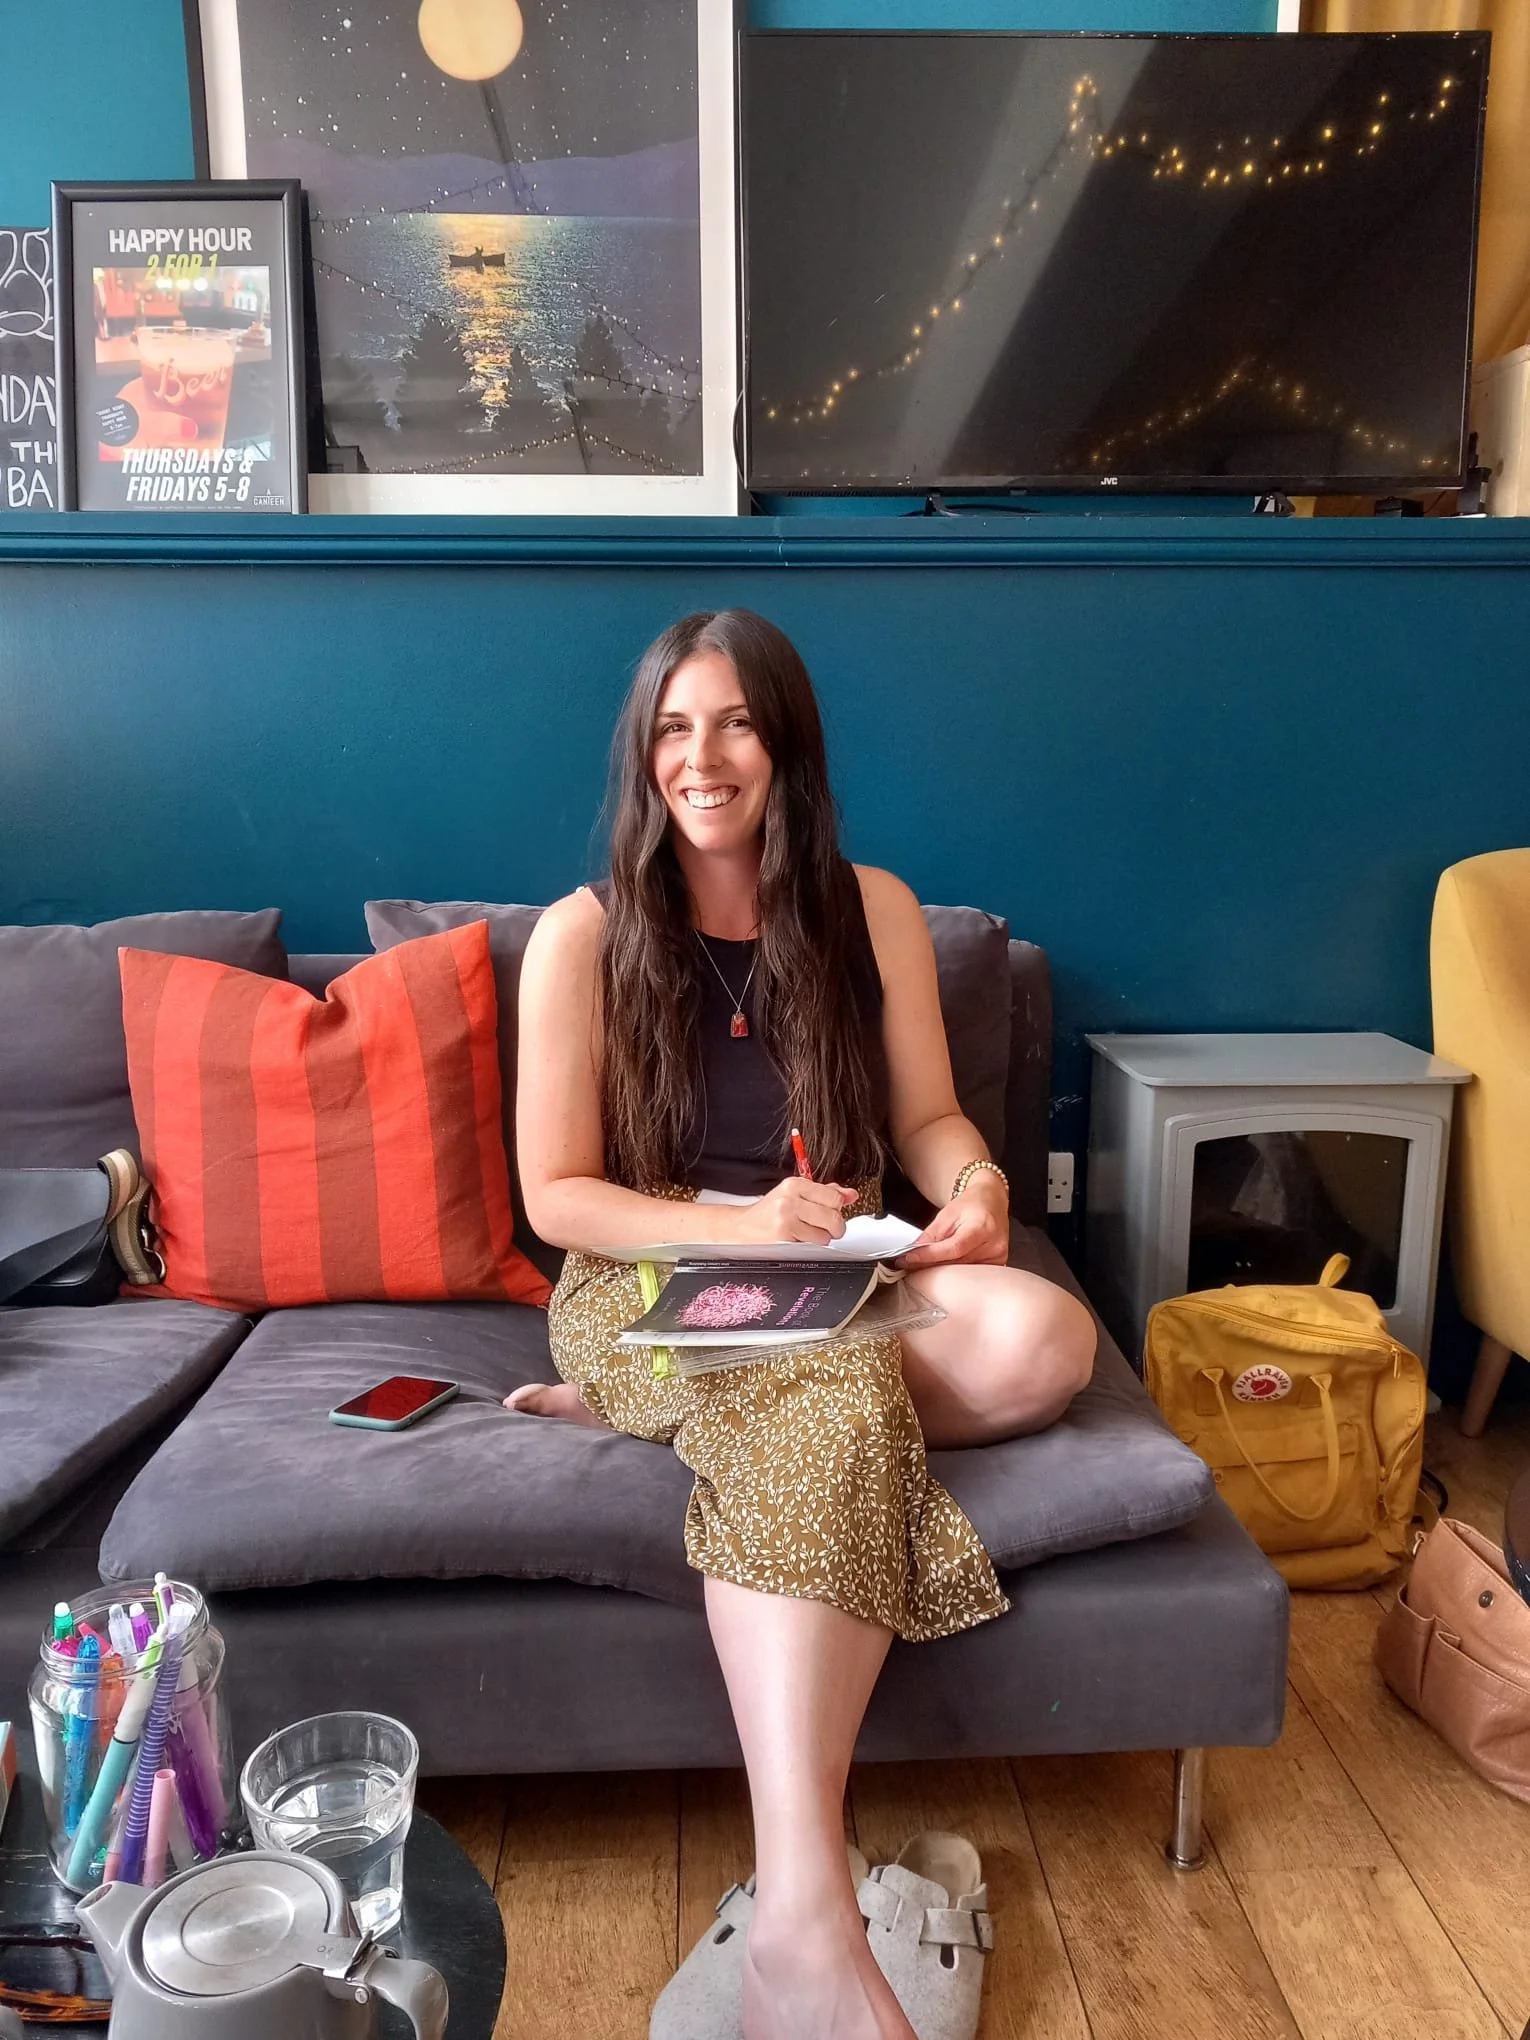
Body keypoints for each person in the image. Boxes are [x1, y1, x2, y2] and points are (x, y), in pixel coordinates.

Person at [508, 609, 1096, 2040]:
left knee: (1042, 1337)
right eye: (670, 728)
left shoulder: (872, 907)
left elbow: (927, 1118)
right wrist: (735, 1229)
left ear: (786, 744)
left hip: (833, 1277)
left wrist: (972, 1184)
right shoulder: (581, 936)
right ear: (640, 755)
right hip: (648, 1281)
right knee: (829, 1399)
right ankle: (800, 1920)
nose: (699, 757)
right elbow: (559, 1198)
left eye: (732, 723)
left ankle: (686, 1406)